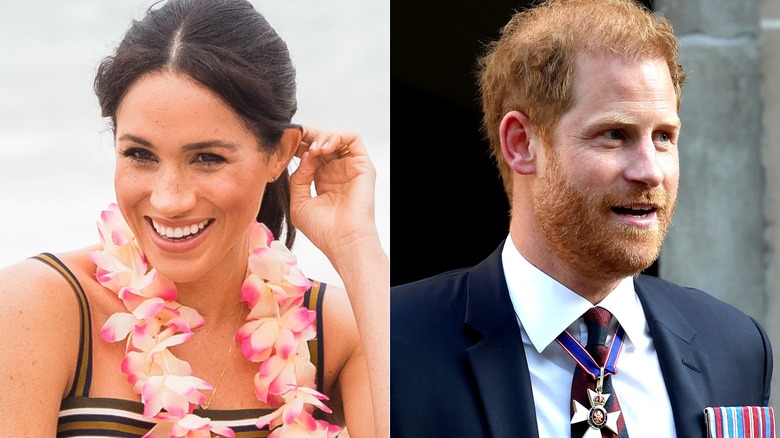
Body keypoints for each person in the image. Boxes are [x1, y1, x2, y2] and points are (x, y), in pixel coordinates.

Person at [0, 1, 388, 437]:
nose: (169, 200)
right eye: (140, 154)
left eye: (207, 158)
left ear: (279, 153)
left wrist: (356, 245)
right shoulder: (36, 309)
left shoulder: (338, 331)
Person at [390, 0, 773, 437]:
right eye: (615, 134)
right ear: (522, 144)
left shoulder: (733, 344)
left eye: (664, 137)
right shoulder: (394, 345)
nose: (650, 171)